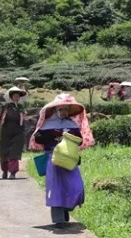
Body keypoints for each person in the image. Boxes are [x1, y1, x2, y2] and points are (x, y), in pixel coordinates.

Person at [29, 93, 95, 227]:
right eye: (61, 109)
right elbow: (39, 138)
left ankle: (67, 208)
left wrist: (67, 139)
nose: (64, 112)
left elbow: (79, 139)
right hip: (53, 159)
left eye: (66, 109)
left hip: (69, 159)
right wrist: (53, 138)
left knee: (76, 186)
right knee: (56, 188)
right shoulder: (47, 124)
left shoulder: (71, 124)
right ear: (55, 110)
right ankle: (58, 219)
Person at [0, 86, 27, 179]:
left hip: (17, 133)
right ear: (11, 97)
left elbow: (24, 120)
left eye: (18, 96)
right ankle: (5, 171)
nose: (16, 97)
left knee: (14, 153)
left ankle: (13, 172)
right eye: (14, 96)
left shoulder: (21, 108)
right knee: (4, 152)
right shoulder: (5, 107)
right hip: (5, 132)